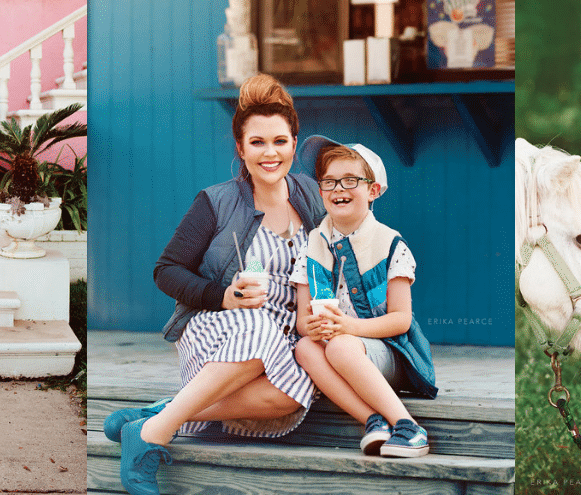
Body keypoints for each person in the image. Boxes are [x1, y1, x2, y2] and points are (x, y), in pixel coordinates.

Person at [103, 74, 325, 495]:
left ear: (294, 144)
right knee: (258, 331)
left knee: (294, 396)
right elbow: (166, 270)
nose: (270, 152)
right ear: (241, 148)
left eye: (280, 141)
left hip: (283, 339)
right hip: (218, 326)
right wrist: (223, 295)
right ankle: (150, 438)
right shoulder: (217, 200)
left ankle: (158, 415)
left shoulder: (311, 197)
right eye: (257, 142)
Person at [288, 137, 438, 458]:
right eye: (329, 181)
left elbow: (400, 319)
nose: (339, 188)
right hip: (338, 352)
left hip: (387, 354)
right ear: (321, 192)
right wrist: (312, 328)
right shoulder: (311, 247)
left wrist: (346, 328)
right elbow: (302, 320)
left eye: (351, 180)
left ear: (373, 190)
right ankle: (374, 421)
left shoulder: (389, 244)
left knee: (341, 345)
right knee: (303, 346)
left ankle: (410, 427)